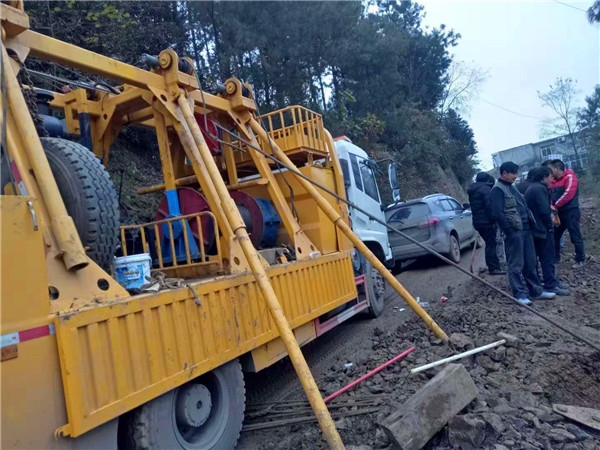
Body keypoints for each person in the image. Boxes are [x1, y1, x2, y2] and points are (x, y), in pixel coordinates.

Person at [489, 161, 556, 305]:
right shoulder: (498, 190)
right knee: (516, 264)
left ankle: (536, 291)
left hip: (526, 230)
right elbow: (497, 214)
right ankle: (519, 294)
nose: (515, 176)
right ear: (504, 173)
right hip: (515, 232)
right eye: (513, 173)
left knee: (531, 262)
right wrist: (510, 231)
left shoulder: (511, 188)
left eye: (516, 173)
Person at [524, 167, 570, 296]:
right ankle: (550, 284)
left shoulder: (533, 188)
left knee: (542, 258)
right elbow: (544, 211)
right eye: (550, 177)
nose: (552, 179)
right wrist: (550, 224)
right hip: (541, 230)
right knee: (547, 258)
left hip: (536, 229)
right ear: (544, 177)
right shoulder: (539, 189)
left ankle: (550, 281)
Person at [548, 159, 585, 268]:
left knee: (575, 235)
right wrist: (551, 205)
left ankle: (580, 259)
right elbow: (550, 195)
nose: (549, 172)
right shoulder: (552, 181)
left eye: (551, 169)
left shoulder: (570, 177)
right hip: (558, 213)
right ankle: (555, 258)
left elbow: (568, 194)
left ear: (556, 168)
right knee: (555, 235)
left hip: (571, 211)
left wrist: (555, 206)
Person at [467, 172, 505, 275]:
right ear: (487, 179)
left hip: (478, 222)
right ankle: (494, 268)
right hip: (487, 222)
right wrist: (495, 220)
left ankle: (493, 266)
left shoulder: (473, 190)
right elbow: (490, 207)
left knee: (489, 244)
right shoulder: (485, 189)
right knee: (491, 245)